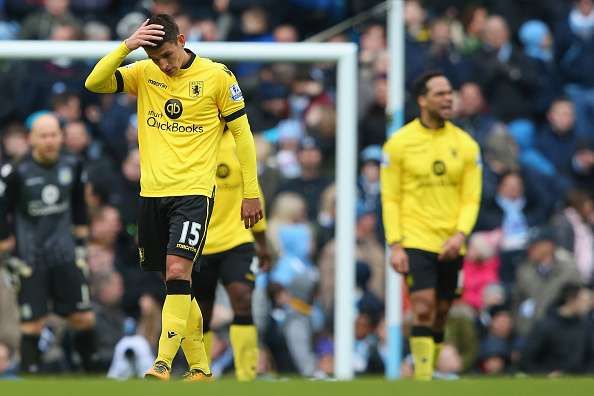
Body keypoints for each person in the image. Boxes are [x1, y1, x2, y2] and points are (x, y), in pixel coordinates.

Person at [85, 14, 262, 381]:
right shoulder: (144, 73)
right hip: (152, 194)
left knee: (179, 271)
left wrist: (251, 192)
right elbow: (95, 82)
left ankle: (162, 362)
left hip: (194, 193)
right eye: (155, 59)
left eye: (167, 55)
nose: (163, 65)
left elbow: (243, 136)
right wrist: (127, 47)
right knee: (174, 281)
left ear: (181, 40)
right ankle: (200, 367)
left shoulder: (217, 76)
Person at [381, 71, 482, 380]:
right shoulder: (399, 145)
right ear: (422, 100)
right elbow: (391, 198)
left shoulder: (466, 145)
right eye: (440, 93)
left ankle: (429, 372)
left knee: (440, 314)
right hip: (415, 238)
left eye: (450, 92)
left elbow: (471, 197)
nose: (448, 97)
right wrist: (395, 243)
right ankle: (423, 379)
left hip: (452, 240)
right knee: (422, 307)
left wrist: (460, 234)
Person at [0, 113, 97, 374]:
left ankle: (93, 375)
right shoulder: (15, 171)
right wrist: (5, 240)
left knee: (84, 318)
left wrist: (81, 245)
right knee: (32, 323)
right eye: (43, 136)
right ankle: (31, 376)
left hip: (65, 254)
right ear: (31, 139)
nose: (49, 140)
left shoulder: (73, 164)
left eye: (54, 134)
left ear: (61, 137)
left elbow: (78, 206)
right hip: (31, 257)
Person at [188, 129, 271, 381]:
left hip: (238, 239)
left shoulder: (240, 143)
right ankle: (201, 371)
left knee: (242, 297)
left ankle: (246, 375)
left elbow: (253, 192)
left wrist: (262, 242)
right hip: (200, 241)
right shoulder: (192, 141)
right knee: (202, 311)